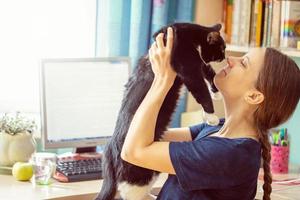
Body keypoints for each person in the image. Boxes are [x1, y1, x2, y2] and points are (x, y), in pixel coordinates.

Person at [120, 27, 300, 200]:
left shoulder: (231, 154)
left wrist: (162, 80)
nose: (230, 59)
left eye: (243, 63)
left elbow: (134, 152)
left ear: (253, 96)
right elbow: (149, 137)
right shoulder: (219, 128)